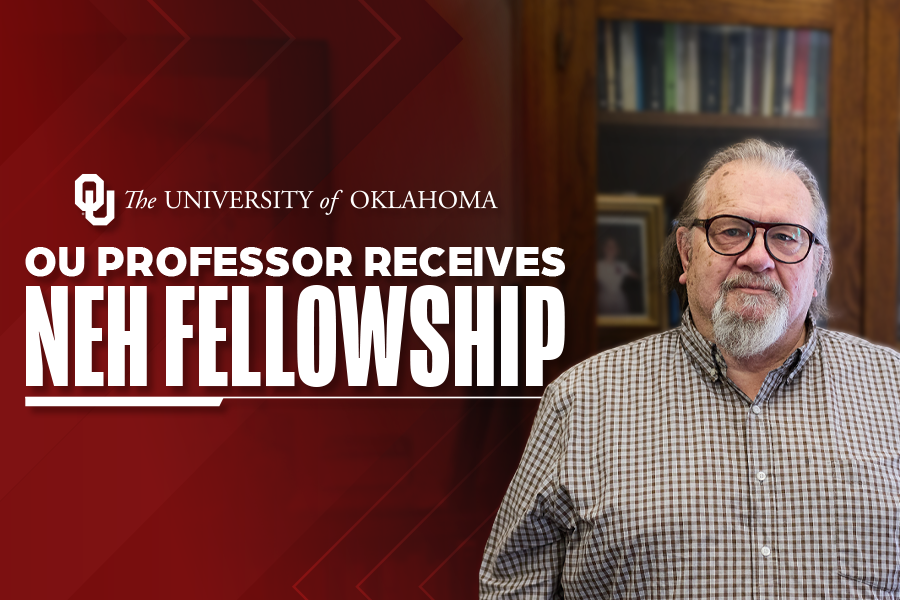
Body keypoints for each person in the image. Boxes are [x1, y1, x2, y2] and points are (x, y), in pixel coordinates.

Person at [479, 139, 900, 598]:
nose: (757, 258)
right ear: (686, 252)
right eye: (731, 231)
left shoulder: (892, 388)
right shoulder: (581, 401)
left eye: (785, 236)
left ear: (817, 265)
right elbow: (512, 585)